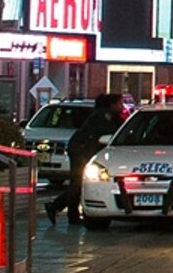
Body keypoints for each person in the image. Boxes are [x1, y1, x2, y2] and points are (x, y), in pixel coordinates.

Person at [52, 92, 125, 222]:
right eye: (120, 103)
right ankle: (64, 211)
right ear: (112, 104)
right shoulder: (103, 116)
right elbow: (110, 133)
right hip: (81, 151)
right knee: (78, 182)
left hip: (85, 150)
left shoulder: (110, 116)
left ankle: (59, 208)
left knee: (79, 183)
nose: (122, 106)